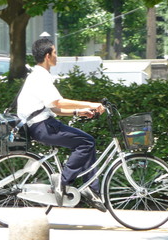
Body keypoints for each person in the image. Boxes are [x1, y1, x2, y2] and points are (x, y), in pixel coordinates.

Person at [17, 38, 106, 212]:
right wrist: (92, 104)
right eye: (55, 53)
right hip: (43, 127)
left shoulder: (38, 75)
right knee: (86, 142)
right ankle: (63, 181)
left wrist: (78, 112)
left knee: (87, 141)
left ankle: (91, 188)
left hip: (41, 124)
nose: (57, 56)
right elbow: (58, 101)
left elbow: (53, 107)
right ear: (48, 56)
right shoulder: (41, 76)